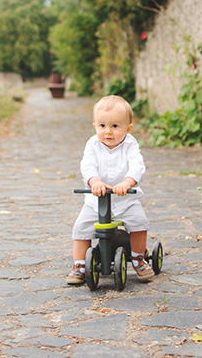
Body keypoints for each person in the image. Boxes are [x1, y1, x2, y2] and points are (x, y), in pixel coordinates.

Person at [67, 95, 154, 284]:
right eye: (102, 126)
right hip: (97, 200)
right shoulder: (92, 144)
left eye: (115, 126)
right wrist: (94, 181)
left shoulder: (130, 144)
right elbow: (87, 165)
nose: (108, 132)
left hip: (126, 199)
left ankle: (138, 258)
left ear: (128, 128)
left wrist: (128, 182)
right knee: (81, 227)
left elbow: (137, 166)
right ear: (95, 126)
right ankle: (80, 264)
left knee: (139, 223)